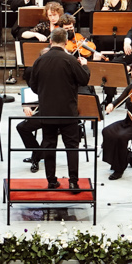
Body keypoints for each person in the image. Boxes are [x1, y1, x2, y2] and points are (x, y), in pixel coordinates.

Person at [19, 27, 89, 190]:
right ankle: (73, 182)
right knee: (72, 147)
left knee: (49, 145)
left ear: (50, 40)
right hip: (68, 112)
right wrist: (85, 66)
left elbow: (34, 86)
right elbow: (84, 80)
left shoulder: (40, 61)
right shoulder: (70, 60)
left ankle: (51, 181)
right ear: (66, 42)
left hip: (47, 111)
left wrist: (45, 93)